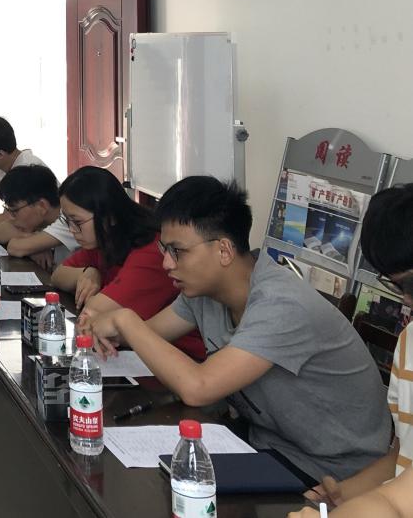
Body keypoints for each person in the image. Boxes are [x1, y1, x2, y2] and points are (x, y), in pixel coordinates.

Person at [81, 175, 389, 482]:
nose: (166, 264)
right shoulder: (204, 293)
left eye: (177, 251)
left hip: (333, 472)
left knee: (170, 485)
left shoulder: (282, 305)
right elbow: (150, 336)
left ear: (224, 251)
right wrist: (106, 326)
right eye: (164, 250)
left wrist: (125, 320)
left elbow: (198, 387)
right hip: (267, 443)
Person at [301, 183, 413, 510]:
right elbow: (401, 456)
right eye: (397, 286)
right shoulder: (409, 341)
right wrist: (342, 495)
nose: (406, 299)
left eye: (410, 283)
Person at [53, 166, 205, 361]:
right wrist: (88, 272)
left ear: (109, 217)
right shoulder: (104, 240)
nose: (72, 230)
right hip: (147, 353)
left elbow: (94, 313)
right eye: (67, 221)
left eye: (77, 222)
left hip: (182, 357)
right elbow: (58, 275)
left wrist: (110, 318)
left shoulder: (151, 253)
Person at [0, 164, 77, 270]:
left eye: (15, 211)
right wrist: (33, 243)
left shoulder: (69, 221)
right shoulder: (41, 219)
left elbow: (15, 248)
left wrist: (30, 245)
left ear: (42, 206)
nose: (11, 217)